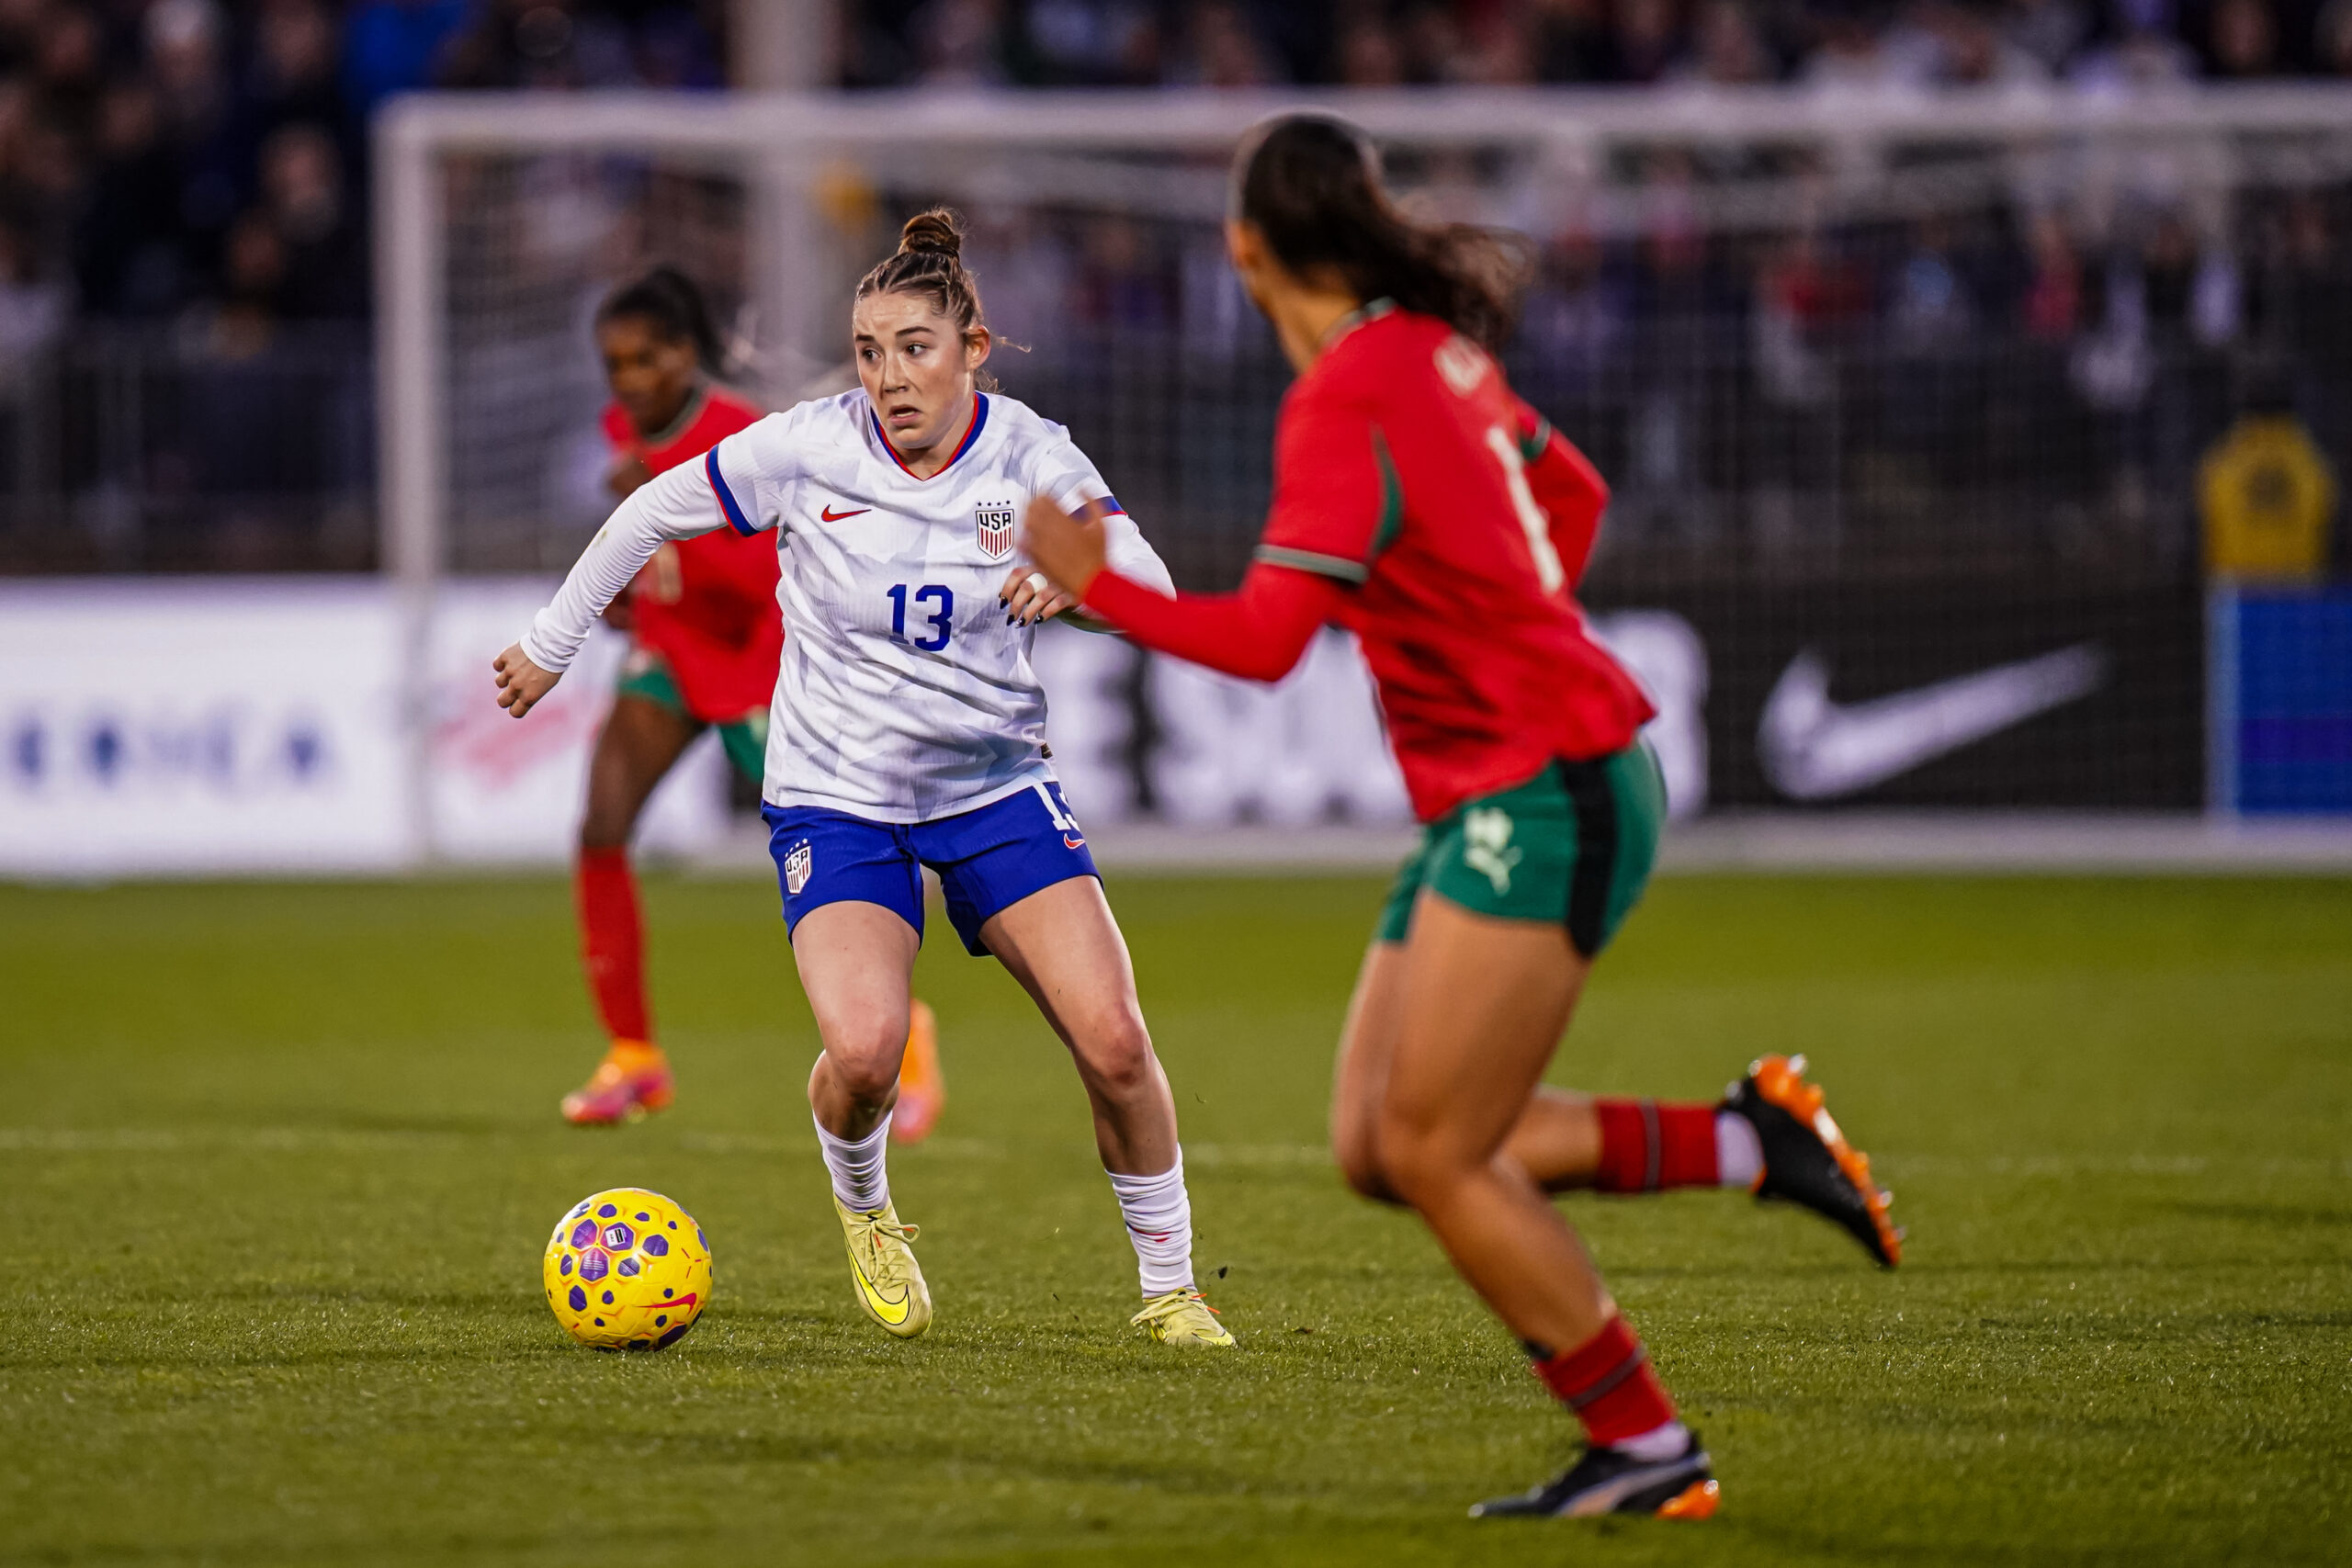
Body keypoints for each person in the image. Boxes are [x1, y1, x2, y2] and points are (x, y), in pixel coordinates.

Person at [1023, 115, 1901, 1517]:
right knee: (1381, 1143)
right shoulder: (1433, 354)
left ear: (1245, 249)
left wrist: (1095, 581)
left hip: (1547, 780)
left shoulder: (1345, 394)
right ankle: (1751, 1141)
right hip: (1521, 774)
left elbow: (1265, 642)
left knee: (1438, 1148)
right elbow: (1573, 489)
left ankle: (1649, 1447)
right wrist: (1491, 617)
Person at [495, 213, 1234, 1349]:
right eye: (868, 350)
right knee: (864, 1054)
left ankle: (1173, 1290)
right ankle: (866, 1205)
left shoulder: (1031, 455)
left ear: (972, 348)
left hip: (993, 789)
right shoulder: (809, 447)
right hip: (837, 797)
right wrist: (553, 643)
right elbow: (647, 510)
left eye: (915, 348)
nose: (888, 376)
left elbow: (1151, 584)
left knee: (1116, 1045)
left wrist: (1085, 583)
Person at [559, 264, 946, 1138]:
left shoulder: (739, 436)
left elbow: (756, 576)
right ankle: (633, 1055)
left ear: (685, 355)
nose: (628, 381)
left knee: (837, 849)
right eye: (614, 364)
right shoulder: (624, 429)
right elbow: (652, 551)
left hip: (760, 661)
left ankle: (906, 1037)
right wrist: (628, 588)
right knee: (601, 824)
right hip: (673, 654)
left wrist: (652, 509)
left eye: (645, 360)